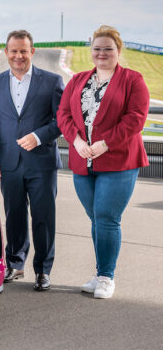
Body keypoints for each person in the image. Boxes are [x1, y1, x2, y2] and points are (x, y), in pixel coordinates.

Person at [56, 25, 149, 299]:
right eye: (97, 48)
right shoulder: (78, 80)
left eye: (108, 48)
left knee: (107, 218)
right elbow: (63, 114)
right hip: (83, 160)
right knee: (96, 218)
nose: (102, 53)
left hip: (119, 160)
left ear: (118, 51)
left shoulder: (133, 80)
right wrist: (77, 142)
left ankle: (107, 277)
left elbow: (136, 118)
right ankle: (99, 273)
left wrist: (105, 143)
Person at [0, 29, 64, 291]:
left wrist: (39, 137)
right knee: (14, 215)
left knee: (43, 217)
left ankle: (43, 270)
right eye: (13, 51)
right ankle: (15, 264)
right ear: (6, 52)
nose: (18, 56)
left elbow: (61, 121)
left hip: (41, 162)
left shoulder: (52, 81)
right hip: (9, 162)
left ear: (32, 51)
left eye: (23, 50)